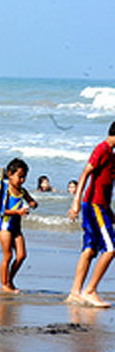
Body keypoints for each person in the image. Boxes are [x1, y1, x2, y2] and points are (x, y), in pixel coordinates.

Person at [66, 121, 115, 308]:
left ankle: (75, 292)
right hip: (93, 204)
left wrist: (110, 211)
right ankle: (90, 290)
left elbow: (106, 185)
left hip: (99, 206)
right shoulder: (102, 149)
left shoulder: (111, 155)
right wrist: (76, 202)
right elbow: (86, 173)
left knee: (90, 249)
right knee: (111, 248)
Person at [0, 158, 37, 294]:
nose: (22, 180)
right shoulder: (6, 190)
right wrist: (17, 212)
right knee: (7, 256)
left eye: (24, 177)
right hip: (5, 226)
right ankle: (4, 284)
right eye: (19, 177)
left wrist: (32, 204)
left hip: (16, 228)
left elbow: (31, 200)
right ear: (9, 174)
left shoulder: (22, 191)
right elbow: (0, 210)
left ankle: (10, 280)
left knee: (21, 255)